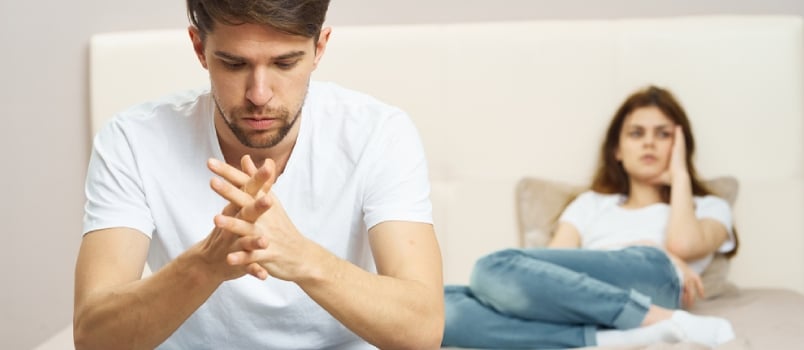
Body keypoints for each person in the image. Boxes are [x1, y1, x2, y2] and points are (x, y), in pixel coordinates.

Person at [72, 1, 444, 349]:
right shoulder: (132, 140)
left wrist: (303, 258)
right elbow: (92, 335)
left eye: (285, 64)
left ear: (320, 48)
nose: (259, 94)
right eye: (234, 64)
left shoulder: (378, 134)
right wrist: (205, 265)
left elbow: (423, 328)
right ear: (199, 48)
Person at [442, 85, 739, 349]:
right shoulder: (591, 204)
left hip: (652, 280)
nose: (649, 143)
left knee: (491, 267)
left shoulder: (708, 206)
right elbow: (545, 270)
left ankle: (662, 318)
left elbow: (684, 245)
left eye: (663, 135)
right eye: (637, 133)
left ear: (680, 145)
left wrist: (680, 178)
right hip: (586, 299)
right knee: (443, 310)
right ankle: (612, 338)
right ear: (617, 151)